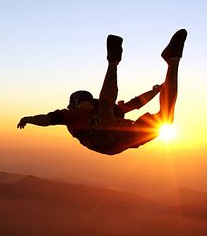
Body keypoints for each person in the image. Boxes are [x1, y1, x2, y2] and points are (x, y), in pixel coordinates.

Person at [17, 29, 187, 155]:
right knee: (107, 117)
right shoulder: (71, 116)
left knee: (166, 118)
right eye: (82, 104)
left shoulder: (101, 108)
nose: (86, 107)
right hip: (102, 140)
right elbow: (48, 120)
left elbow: (136, 103)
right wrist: (29, 119)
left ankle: (172, 60)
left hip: (125, 139)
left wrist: (158, 90)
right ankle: (113, 62)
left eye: (87, 103)